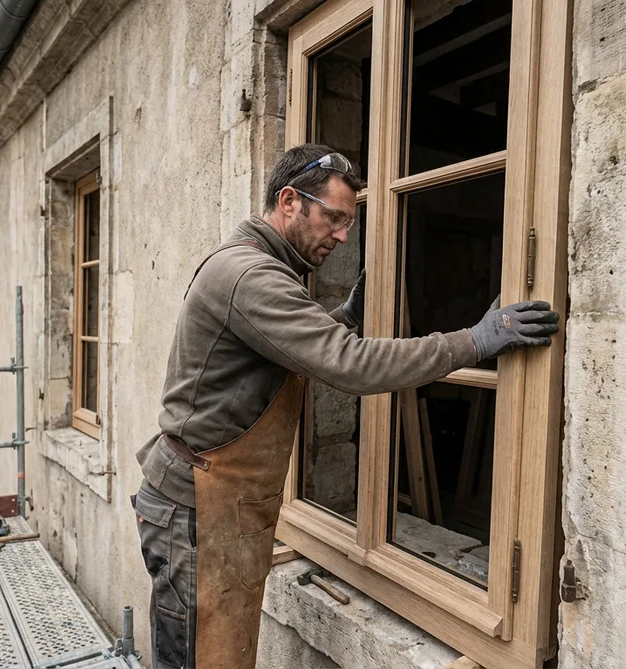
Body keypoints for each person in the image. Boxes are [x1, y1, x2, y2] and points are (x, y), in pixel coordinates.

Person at [132, 143, 560, 669]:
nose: (341, 235)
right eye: (333, 218)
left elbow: (285, 347)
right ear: (289, 201)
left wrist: (348, 314)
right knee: (197, 660)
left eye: (348, 223)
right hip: (195, 509)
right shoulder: (251, 275)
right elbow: (349, 365)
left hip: (208, 501)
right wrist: (474, 341)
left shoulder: (256, 267)